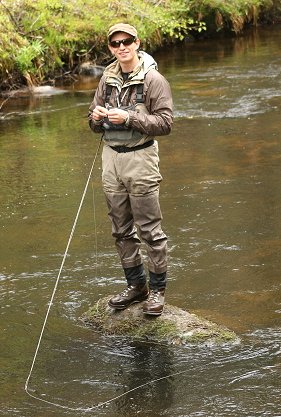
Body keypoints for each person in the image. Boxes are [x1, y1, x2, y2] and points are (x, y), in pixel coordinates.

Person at [88, 23, 173, 316]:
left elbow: (165, 123)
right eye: (115, 44)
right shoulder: (106, 79)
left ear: (137, 43)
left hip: (141, 158)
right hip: (111, 159)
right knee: (120, 229)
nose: (121, 47)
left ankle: (158, 291)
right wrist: (97, 117)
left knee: (149, 229)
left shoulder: (154, 80)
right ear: (110, 48)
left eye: (126, 41)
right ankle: (136, 286)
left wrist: (129, 118)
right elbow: (91, 122)